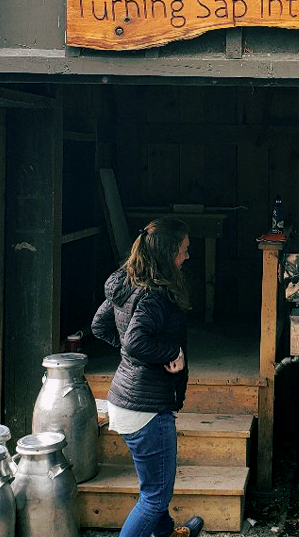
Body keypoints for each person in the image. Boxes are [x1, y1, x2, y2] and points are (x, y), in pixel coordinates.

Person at [92, 218, 204, 537]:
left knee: (154, 485)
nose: (187, 256)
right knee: (154, 499)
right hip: (146, 411)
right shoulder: (156, 295)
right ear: (169, 253)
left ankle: (168, 535)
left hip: (126, 403)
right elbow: (136, 341)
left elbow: (101, 326)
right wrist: (172, 353)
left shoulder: (129, 281)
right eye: (184, 250)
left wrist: (133, 355)